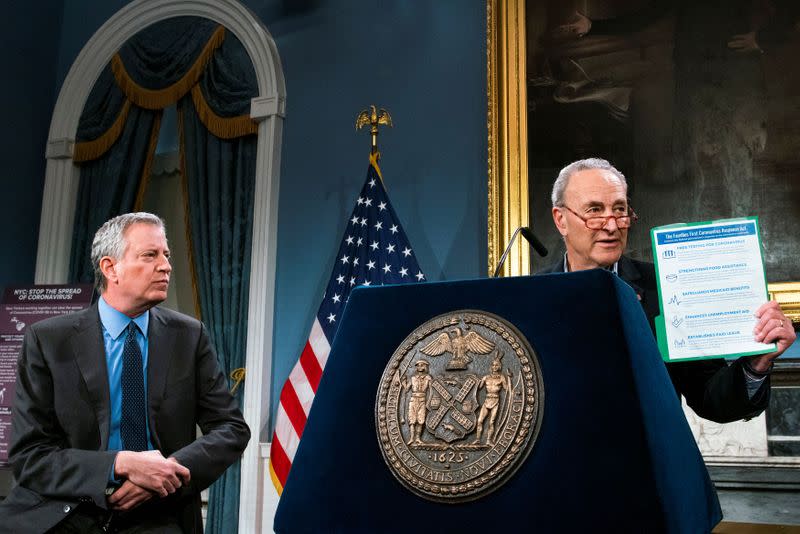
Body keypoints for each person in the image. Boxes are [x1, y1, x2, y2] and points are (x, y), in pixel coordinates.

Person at [0, 213, 250, 533]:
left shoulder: (189, 336)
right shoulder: (49, 340)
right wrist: (120, 464)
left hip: (161, 511)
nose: (166, 266)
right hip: (70, 510)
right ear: (110, 268)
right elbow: (30, 457)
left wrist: (165, 473)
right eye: (150, 255)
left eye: (166, 255)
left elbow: (231, 428)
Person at [538, 158, 796, 423]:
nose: (612, 225)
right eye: (594, 210)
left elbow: (711, 398)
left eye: (620, 209)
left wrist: (756, 364)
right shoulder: (531, 298)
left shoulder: (665, 289)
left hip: (647, 460)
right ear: (561, 220)